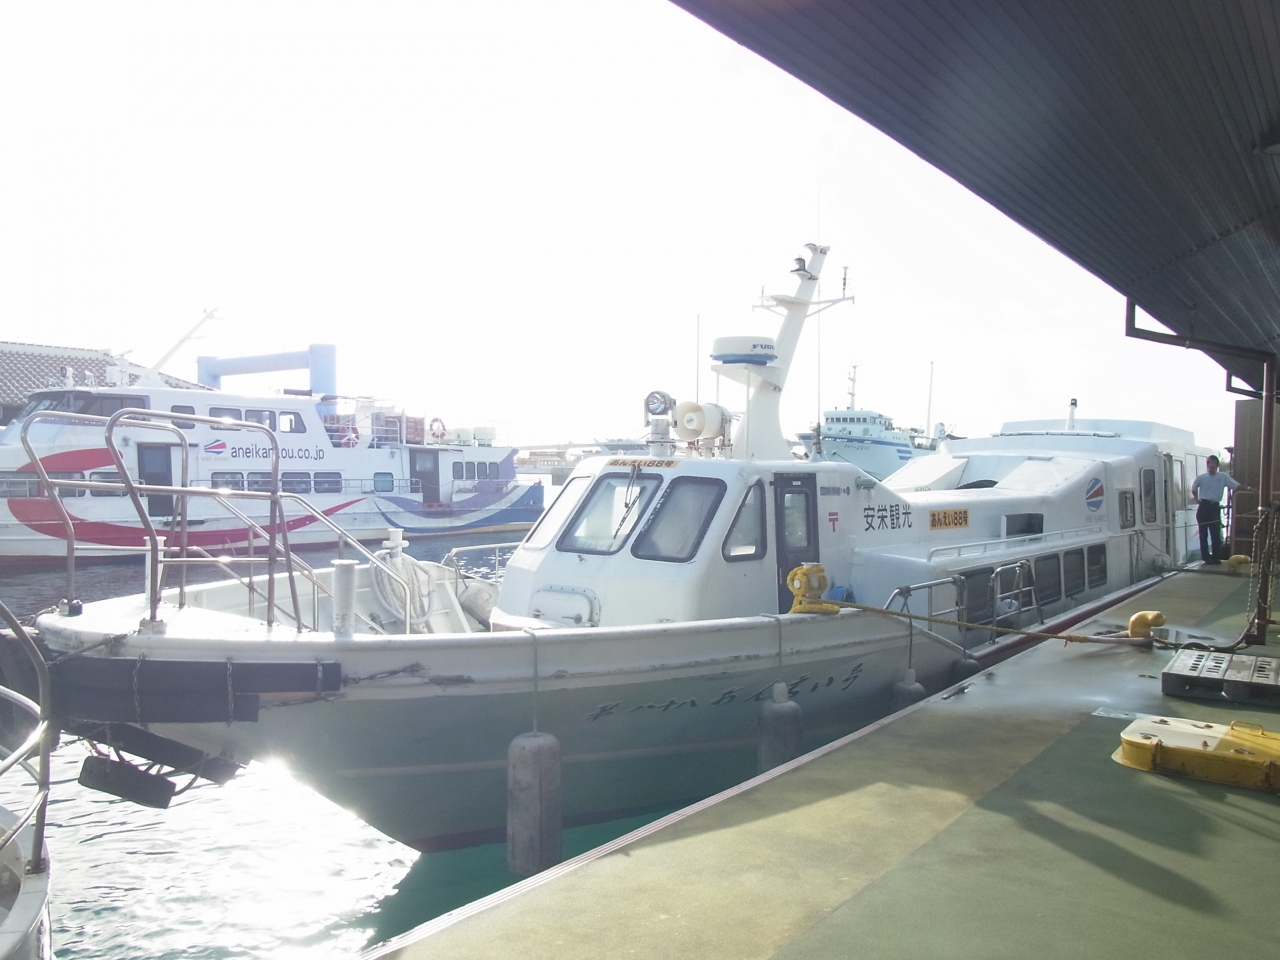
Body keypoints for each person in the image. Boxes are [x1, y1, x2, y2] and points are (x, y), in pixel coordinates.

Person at [1190, 455, 1250, 565]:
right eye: (1210, 463)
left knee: (1216, 534)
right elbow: (1193, 489)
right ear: (1207, 465)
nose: (1212, 465)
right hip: (1204, 506)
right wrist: (1197, 500)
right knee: (1203, 534)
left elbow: (1236, 486)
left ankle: (1216, 557)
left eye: (1214, 463)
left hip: (1214, 506)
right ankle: (1206, 557)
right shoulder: (1201, 478)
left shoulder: (1223, 477)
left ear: (1217, 465)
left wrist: (1250, 489)